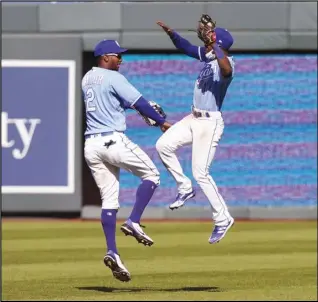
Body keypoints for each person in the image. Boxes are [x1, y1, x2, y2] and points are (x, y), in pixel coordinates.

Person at [82, 39, 171, 282]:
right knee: (152, 175)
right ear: (105, 57)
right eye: (117, 56)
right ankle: (133, 221)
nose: (121, 59)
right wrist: (160, 121)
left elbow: (114, 102)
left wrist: (137, 110)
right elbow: (138, 101)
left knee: (109, 199)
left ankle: (112, 250)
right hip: (112, 140)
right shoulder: (114, 78)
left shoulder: (88, 78)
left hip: (91, 145)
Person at [156, 15, 235, 244]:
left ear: (220, 44)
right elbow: (187, 47)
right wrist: (172, 34)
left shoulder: (226, 63)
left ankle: (223, 218)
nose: (207, 34)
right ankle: (184, 187)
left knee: (201, 172)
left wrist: (216, 46)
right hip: (193, 117)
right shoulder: (209, 56)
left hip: (209, 123)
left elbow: (226, 69)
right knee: (163, 145)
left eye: (212, 34)